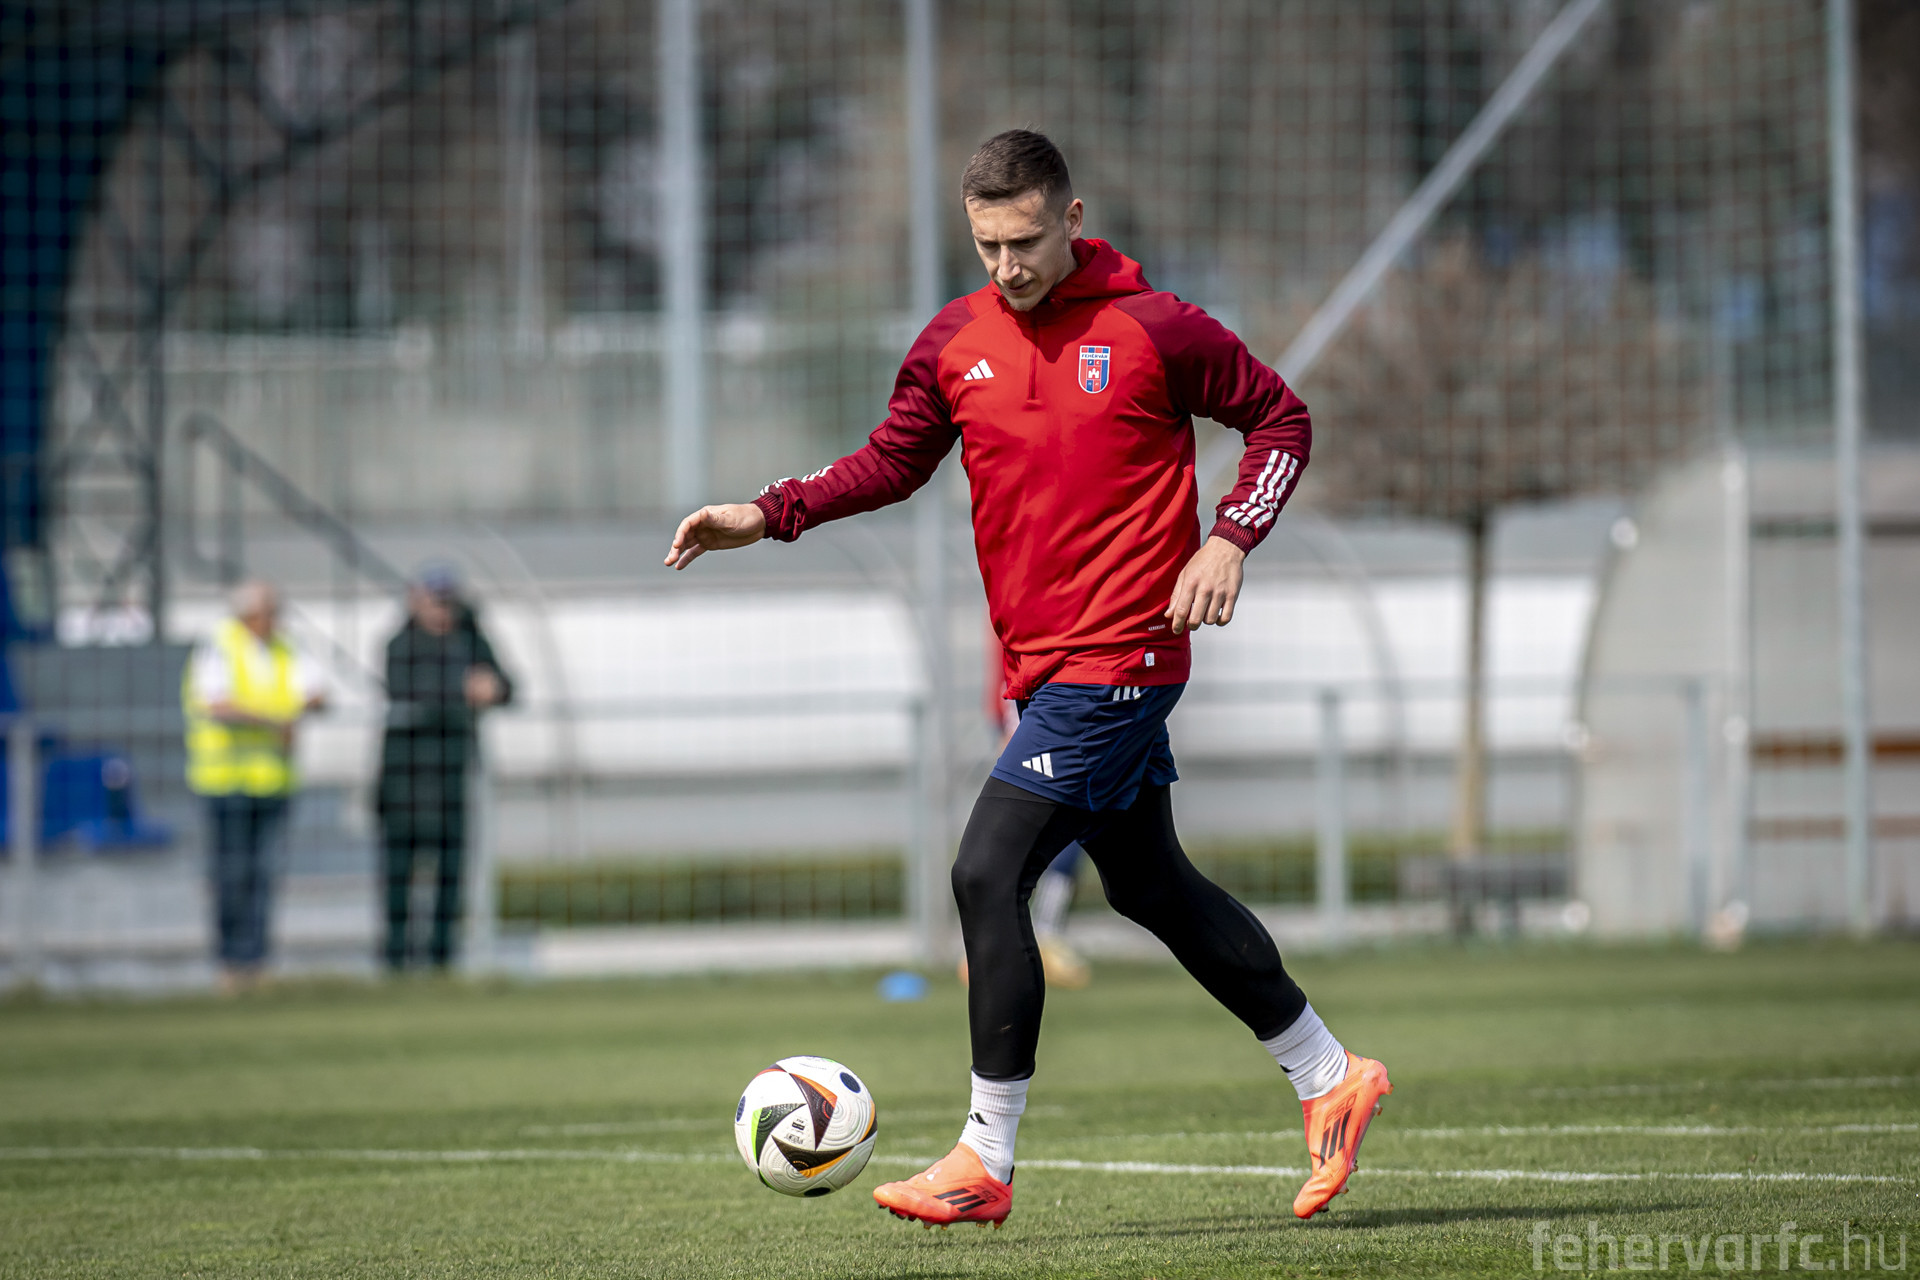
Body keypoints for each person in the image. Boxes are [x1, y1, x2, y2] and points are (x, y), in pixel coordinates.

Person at [666, 130, 1389, 1225]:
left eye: (1026, 241)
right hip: (1044, 669)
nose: (1008, 265)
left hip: (1126, 655)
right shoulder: (955, 341)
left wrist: (1229, 536)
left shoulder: (1155, 327)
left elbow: (1279, 419)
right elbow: (892, 460)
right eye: (988, 245)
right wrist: (767, 513)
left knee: (985, 870)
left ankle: (985, 1156)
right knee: (1150, 885)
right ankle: (1330, 1073)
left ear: (1071, 218)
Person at [182, 579, 326, 995]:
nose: (274, 620)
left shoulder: (286, 647)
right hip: (225, 780)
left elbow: (314, 691)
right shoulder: (219, 644)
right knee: (231, 874)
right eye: (267, 613)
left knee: (264, 875)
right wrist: (275, 721)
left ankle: (257, 962)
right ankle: (230, 962)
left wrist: (299, 709)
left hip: (273, 780)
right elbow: (216, 703)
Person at [376, 566, 512, 971]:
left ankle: (441, 960)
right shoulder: (400, 644)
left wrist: (494, 689)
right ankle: (396, 961)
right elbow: (409, 690)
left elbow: (506, 685)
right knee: (399, 876)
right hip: (404, 782)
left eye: (447, 601)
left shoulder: (470, 640)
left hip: (452, 779)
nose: (442, 610)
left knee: (451, 874)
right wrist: (462, 691)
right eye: (435, 601)